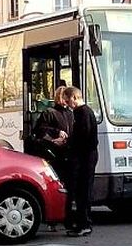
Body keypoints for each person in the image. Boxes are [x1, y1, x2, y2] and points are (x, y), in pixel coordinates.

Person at [32, 86, 74, 232]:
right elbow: (39, 130)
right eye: (64, 97)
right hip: (55, 153)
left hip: (67, 152)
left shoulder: (71, 113)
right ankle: (54, 220)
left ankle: (66, 216)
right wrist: (56, 133)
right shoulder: (49, 113)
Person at [63, 86, 98, 237]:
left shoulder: (82, 113)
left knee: (82, 191)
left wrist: (69, 144)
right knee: (82, 191)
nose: (66, 102)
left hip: (84, 157)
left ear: (74, 98)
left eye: (67, 99)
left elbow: (83, 137)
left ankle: (84, 224)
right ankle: (83, 223)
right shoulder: (86, 112)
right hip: (87, 155)